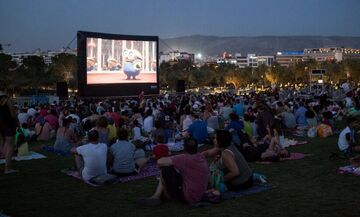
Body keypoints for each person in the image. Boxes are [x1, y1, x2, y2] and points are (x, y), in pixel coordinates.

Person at [139, 138, 210, 206]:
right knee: (172, 167)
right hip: (200, 194)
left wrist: (175, 158)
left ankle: (157, 196)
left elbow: (159, 162)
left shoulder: (184, 158)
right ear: (197, 147)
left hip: (189, 196)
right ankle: (159, 195)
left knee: (165, 168)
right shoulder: (200, 156)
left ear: (184, 148)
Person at [0, 90, 19, 174]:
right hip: (9, 124)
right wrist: (16, 114)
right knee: (10, 146)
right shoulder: (9, 100)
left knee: (2, 144)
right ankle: (7, 169)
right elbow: (12, 115)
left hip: (1, 125)